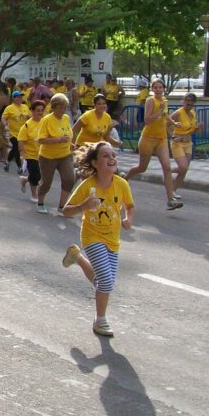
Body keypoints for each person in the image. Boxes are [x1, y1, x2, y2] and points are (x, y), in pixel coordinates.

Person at [60, 142, 135, 337]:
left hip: (113, 239)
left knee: (104, 281)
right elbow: (67, 210)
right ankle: (100, 320)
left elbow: (130, 206)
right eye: (105, 156)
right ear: (94, 162)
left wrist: (128, 219)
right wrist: (83, 205)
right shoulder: (87, 186)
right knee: (107, 282)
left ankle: (76, 257)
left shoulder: (121, 184)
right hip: (92, 237)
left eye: (113, 155)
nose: (111, 159)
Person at [125, 79, 183, 210]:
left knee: (167, 167)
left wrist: (174, 123)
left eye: (160, 87)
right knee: (142, 167)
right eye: (155, 87)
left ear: (164, 88)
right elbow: (147, 120)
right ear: (152, 89)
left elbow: (165, 115)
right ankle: (125, 177)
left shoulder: (165, 101)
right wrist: (158, 112)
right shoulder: (150, 101)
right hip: (148, 138)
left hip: (161, 138)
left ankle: (170, 199)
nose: (158, 89)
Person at [35, 92, 76, 215]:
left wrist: (70, 144)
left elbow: (67, 135)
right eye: (60, 108)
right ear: (53, 107)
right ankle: (40, 202)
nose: (62, 110)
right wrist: (57, 140)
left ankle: (62, 206)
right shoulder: (46, 120)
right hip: (48, 157)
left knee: (70, 179)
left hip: (65, 155)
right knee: (46, 182)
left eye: (64, 108)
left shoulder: (66, 118)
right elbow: (40, 140)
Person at [169, 92, 202, 199]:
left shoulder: (193, 113)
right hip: (177, 143)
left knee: (184, 170)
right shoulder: (178, 113)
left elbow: (192, 129)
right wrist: (173, 137)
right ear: (183, 102)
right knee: (183, 167)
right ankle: (167, 171)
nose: (189, 104)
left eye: (191, 103)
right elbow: (165, 124)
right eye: (187, 102)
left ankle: (172, 191)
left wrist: (198, 128)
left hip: (188, 143)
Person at [17, 100, 47, 201]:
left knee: (42, 176)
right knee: (36, 175)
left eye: (42, 110)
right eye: (38, 110)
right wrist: (22, 155)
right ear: (32, 111)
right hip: (30, 155)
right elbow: (21, 141)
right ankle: (34, 195)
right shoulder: (27, 125)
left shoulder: (45, 123)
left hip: (43, 154)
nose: (40, 113)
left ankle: (25, 180)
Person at [1, 90, 30, 174]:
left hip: (23, 132)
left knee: (14, 149)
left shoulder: (25, 107)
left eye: (21, 97)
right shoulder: (10, 108)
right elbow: (3, 118)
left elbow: (30, 117)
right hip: (13, 133)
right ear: (14, 98)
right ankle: (20, 167)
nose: (20, 98)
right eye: (18, 97)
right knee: (17, 148)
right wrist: (5, 125)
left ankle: (8, 162)